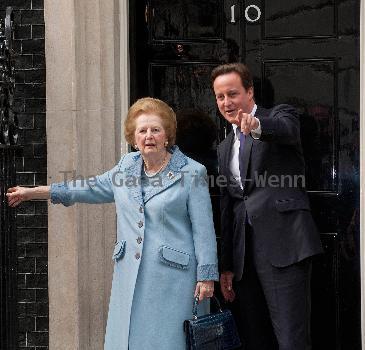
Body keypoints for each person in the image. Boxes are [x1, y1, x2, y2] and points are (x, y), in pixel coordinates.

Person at [7, 97, 219, 350]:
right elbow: (88, 187)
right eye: (142, 130)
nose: (148, 135)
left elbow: (203, 229)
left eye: (155, 129)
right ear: (133, 137)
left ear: (167, 135)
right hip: (130, 276)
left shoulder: (191, 172)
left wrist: (207, 277)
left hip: (174, 280)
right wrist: (35, 192)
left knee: (169, 342)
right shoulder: (126, 168)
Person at [211, 63, 323, 350]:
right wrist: (226, 266)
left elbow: (286, 131)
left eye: (232, 93)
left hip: (284, 247)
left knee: (291, 341)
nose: (226, 102)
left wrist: (257, 127)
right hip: (243, 259)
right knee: (254, 339)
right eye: (220, 96)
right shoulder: (224, 148)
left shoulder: (279, 116)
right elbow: (229, 207)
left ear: (249, 91)